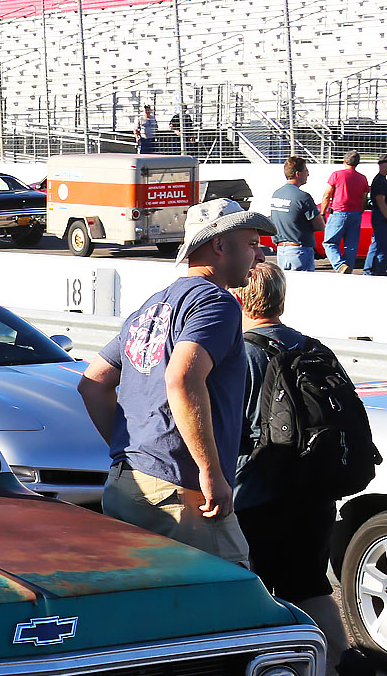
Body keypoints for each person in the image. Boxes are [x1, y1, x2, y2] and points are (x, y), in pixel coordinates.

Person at [78, 198, 273, 567]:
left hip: (127, 484)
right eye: (251, 243)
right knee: (233, 602)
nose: (258, 254)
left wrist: (132, 450)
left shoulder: (152, 305)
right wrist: (211, 472)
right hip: (178, 491)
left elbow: (93, 383)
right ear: (219, 244)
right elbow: (182, 377)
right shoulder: (216, 302)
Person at [232, 261, 379, 676]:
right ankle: (346, 660)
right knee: (310, 586)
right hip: (314, 492)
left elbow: (226, 429)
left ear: (238, 298)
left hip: (256, 495)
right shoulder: (312, 347)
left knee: (250, 590)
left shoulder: (241, 354)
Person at [263, 155, 321, 272]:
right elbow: (319, 225)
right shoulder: (303, 197)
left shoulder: (277, 194)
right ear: (298, 174)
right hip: (299, 250)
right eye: (306, 170)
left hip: (282, 251)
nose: (308, 174)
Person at [320, 152, 370, 274]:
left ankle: (339, 265)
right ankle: (348, 269)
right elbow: (364, 198)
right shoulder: (362, 178)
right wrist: (360, 210)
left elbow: (327, 194)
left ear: (344, 161)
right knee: (351, 245)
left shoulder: (337, 175)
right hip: (356, 213)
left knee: (329, 242)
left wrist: (322, 212)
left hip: (339, 212)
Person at [363, 155, 387, 277]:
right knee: (382, 245)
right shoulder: (379, 181)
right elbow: (380, 201)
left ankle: (371, 269)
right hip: (380, 216)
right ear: (382, 164)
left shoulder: (382, 180)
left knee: (377, 243)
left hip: (380, 215)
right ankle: (378, 270)